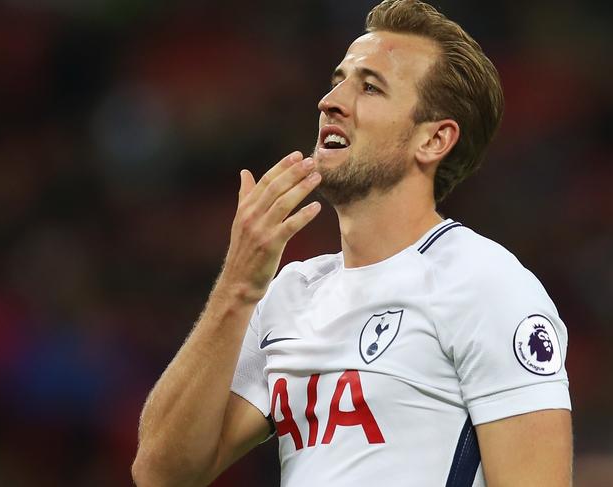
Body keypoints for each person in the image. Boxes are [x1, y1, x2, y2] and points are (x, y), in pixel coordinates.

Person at [132, 1, 572, 486]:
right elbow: (161, 473)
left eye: (370, 87)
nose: (332, 101)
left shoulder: (484, 283)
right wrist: (237, 284)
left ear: (433, 140)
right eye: (338, 79)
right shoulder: (290, 294)